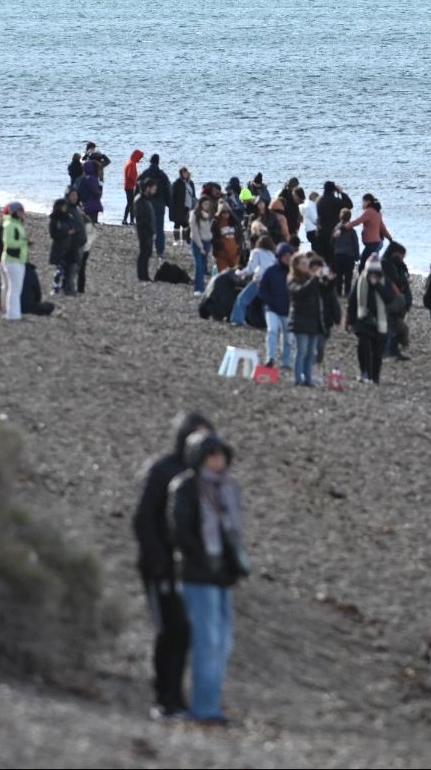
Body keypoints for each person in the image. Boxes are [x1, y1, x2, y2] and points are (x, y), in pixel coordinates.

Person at [132, 413, 212, 718]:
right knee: (169, 629)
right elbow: (144, 519)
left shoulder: (202, 477)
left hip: (188, 571)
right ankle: (162, 698)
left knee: (186, 632)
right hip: (160, 567)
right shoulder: (162, 470)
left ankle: (177, 697)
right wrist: (157, 561)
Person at [171, 431, 247, 725]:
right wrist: (202, 559)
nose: (218, 461)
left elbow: (232, 534)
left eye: (221, 455)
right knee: (207, 642)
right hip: (197, 575)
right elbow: (181, 531)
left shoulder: (228, 488)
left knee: (223, 642)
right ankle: (204, 708)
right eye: (212, 455)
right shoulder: (187, 487)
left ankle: (212, 704)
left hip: (221, 576)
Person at [350, 255, 393, 384]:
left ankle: (375, 377)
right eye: (371, 271)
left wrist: (378, 286)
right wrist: (350, 320)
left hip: (381, 320)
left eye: (376, 272)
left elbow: (389, 298)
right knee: (363, 346)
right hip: (363, 318)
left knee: (377, 352)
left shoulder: (385, 281)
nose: (373, 274)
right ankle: (364, 373)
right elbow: (353, 300)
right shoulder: (361, 280)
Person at [287, 255, 322, 386]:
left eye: (306, 263)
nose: (306, 266)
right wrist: (314, 279)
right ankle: (297, 378)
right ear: (296, 266)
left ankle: (308, 379)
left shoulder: (311, 280)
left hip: (313, 320)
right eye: (303, 263)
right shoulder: (292, 279)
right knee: (301, 351)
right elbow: (299, 292)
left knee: (310, 353)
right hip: (300, 319)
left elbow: (324, 292)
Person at [260, 243, 295, 371]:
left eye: (290, 255)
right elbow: (263, 289)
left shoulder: (294, 273)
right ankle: (270, 358)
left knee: (288, 338)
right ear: (279, 256)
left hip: (288, 311)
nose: (287, 258)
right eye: (285, 255)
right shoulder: (271, 271)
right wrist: (269, 302)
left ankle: (286, 362)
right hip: (272, 309)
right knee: (272, 331)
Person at [230, 236, 276, 326]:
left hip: (259, 280)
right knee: (265, 304)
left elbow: (250, 268)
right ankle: (269, 324)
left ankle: (237, 319)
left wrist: (239, 273)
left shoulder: (256, 252)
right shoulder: (272, 254)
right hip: (271, 282)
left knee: (242, 299)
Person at [381, 241, 412, 360]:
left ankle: (394, 351)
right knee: (394, 327)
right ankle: (389, 351)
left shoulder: (397, 265)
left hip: (399, 301)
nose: (403, 258)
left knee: (396, 326)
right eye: (402, 255)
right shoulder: (387, 264)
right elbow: (394, 281)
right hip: (392, 301)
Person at [138, 154, 172, 257]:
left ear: (150, 161)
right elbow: (168, 191)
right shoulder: (162, 175)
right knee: (160, 230)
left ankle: (148, 250)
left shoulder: (145, 173)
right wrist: (169, 204)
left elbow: (138, 185)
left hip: (147, 204)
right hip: (160, 205)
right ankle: (160, 251)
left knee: (148, 229)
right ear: (158, 162)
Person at [0, 202, 28, 321]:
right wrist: (24, 242)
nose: (23, 213)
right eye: (21, 211)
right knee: (14, 288)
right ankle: (13, 315)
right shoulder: (10, 224)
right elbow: (9, 243)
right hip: (12, 259)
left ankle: (14, 313)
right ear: (15, 212)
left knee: (16, 288)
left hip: (18, 259)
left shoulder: (17, 224)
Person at [349, 193, 394, 270]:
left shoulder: (369, 211)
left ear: (368, 202)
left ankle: (363, 281)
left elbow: (358, 221)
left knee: (362, 266)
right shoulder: (377, 212)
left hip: (371, 244)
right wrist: (389, 238)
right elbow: (382, 228)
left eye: (363, 202)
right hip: (377, 243)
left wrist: (346, 226)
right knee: (371, 265)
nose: (362, 204)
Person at [47, 198, 76, 294]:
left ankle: (65, 287)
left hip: (69, 247)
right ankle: (55, 286)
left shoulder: (69, 217)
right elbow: (53, 234)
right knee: (60, 269)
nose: (65, 208)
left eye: (65, 206)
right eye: (63, 206)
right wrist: (66, 232)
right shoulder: (54, 219)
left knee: (68, 269)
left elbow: (74, 230)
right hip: (58, 247)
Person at [134, 178, 160, 282]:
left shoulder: (145, 199)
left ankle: (145, 275)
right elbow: (141, 218)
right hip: (144, 231)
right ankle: (142, 275)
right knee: (144, 253)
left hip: (148, 231)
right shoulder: (140, 199)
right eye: (153, 188)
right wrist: (149, 229)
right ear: (147, 188)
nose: (155, 191)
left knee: (147, 253)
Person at [331, 207, 359, 296]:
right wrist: (357, 256)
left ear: (340, 217)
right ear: (349, 218)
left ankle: (338, 291)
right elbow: (355, 244)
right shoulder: (351, 230)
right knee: (348, 275)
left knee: (338, 274)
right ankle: (347, 291)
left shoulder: (336, 228)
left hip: (338, 254)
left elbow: (332, 241)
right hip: (349, 255)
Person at [190, 196, 216, 294]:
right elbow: (195, 232)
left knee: (204, 266)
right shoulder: (195, 214)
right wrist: (200, 246)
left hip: (207, 242)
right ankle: (198, 288)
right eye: (205, 204)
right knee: (199, 266)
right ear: (200, 204)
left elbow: (210, 229)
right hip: (197, 243)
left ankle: (202, 287)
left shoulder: (210, 215)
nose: (207, 206)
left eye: (208, 204)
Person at [315, 181, 343, 262]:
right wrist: (341, 193)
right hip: (332, 231)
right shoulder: (334, 200)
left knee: (323, 256)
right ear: (333, 190)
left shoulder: (319, 200)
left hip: (321, 231)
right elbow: (349, 204)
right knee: (332, 256)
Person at [212, 203, 241, 276]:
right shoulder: (216, 223)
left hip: (235, 254)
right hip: (221, 255)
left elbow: (240, 235)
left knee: (234, 275)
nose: (226, 214)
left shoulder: (235, 221)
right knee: (222, 276)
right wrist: (218, 247)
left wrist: (239, 246)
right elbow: (213, 238)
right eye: (223, 212)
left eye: (228, 211)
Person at [171, 167, 196, 244]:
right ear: (181, 174)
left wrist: (193, 205)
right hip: (179, 206)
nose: (185, 174)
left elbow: (193, 195)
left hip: (188, 206)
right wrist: (172, 206)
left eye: (186, 172)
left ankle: (186, 240)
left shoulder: (191, 183)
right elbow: (172, 195)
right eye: (183, 172)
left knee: (187, 223)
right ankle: (176, 240)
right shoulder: (177, 183)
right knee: (177, 223)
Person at [77, 158, 104, 224]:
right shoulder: (92, 178)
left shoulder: (83, 178)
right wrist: (100, 185)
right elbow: (96, 192)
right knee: (92, 223)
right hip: (92, 205)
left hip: (85, 204)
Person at [122, 149, 144, 226]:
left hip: (127, 186)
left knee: (129, 203)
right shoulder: (132, 164)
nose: (140, 159)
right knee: (131, 204)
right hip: (130, 187)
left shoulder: (129, 162)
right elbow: (130, 176)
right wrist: (136, 183)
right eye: (140, 158)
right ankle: (131, 220)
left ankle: (125, 220)